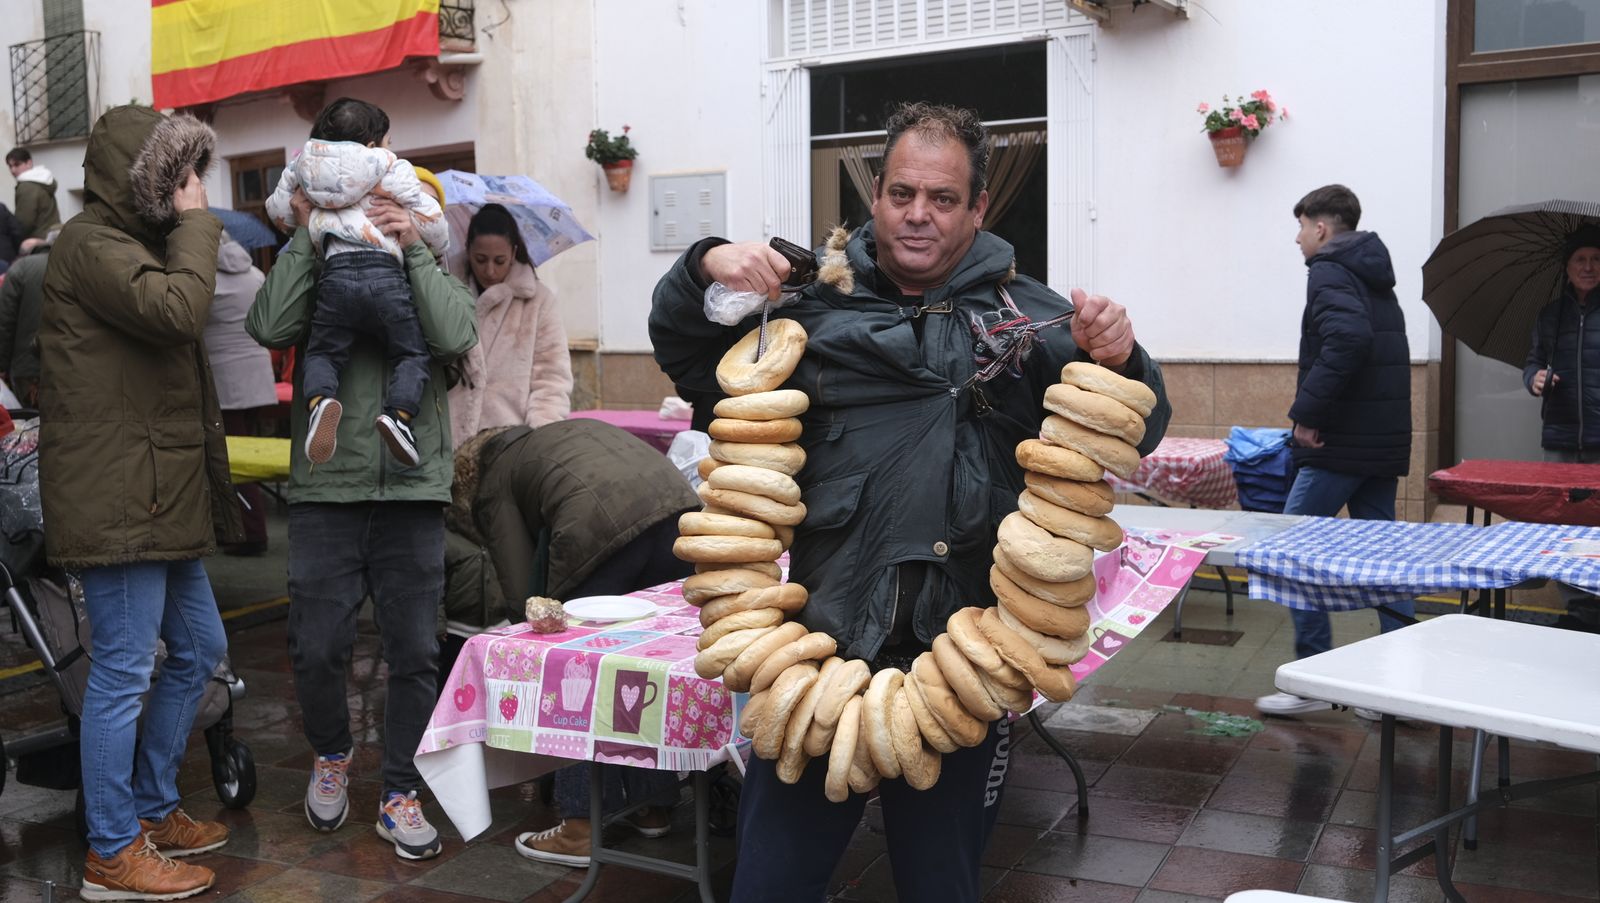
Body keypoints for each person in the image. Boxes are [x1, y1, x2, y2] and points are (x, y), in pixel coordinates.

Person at [649, 101, 1171, 903]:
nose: (918, 215)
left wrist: (1124, 353)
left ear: (977, 208)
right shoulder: (809, 307)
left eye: (943, 197)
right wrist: (705, 263)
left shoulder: (1031, 322)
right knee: (770, 885)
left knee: (941, 886)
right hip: (818, 650)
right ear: (876, 194)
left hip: (961, 665)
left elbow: (1140, 426)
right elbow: (688, 353)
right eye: (901, 193)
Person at [248, 142, 477, 861]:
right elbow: (269, 327)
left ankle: (400, 790)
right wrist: (304, 232)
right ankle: (331, 753)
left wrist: (411, 249)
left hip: (411, 489)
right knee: (317, 648)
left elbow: (455, 335)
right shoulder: (323, 249)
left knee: (414, 649)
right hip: (328, 487)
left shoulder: (428, 261)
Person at [37, 106, 241, 902]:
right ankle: (112, 850)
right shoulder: (88, 244)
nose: (193, 189)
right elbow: (176, 312)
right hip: (120, 497)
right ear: (146, 180)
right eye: (180, 175)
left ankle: (152, 805)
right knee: (123, 671)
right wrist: (196, 225)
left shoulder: (132, 245)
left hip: (156, 492)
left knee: (199, 647)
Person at [440, 418, 699, 866]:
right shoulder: (560, 434)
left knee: (573, 670)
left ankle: (580, 825)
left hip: (602, 529)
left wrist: (524, 645)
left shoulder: (493, 479)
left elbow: (518, 582)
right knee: (639, 666)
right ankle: (653, 806)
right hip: (678, 513)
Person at [1255, 184, 1412, 719]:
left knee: (1294, 548)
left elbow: (1348, 340)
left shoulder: (1329, 268)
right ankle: (1396, 690)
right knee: (1386, 560)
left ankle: (1314, 679)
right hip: (1379, 440)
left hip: (1340, 444)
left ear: (1321, 228)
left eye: (1301, 227)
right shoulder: (1373, 271)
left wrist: (1308, 414)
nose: (1297, 239)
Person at [264, 98, 449, 467]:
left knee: (322, 353)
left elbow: (279, 209)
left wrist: (300, 221)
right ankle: (399, 417)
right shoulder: (387, 165)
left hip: (334, 274)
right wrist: (435, 241)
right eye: (387, 140)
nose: (389, 148)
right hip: (385, 275)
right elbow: (428, 216)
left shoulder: (302, 164)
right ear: (371, 144)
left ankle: (320, 403)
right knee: (410, 352)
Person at [445, 203, 573, 447]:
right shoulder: (448, 292)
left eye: (499, 260)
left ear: (514, 253)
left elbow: (551, 379)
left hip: (510, 444)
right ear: (467, 249)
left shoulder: (539, 302)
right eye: (480, 259)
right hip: (450, 441)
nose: (490, 270)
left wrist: (539, 442)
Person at [1524, 225, 1600, 631]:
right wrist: (1535, 378)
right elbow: (1532, 362)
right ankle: (1578, 608)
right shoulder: (1550, 315)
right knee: (1563, 527)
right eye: (1580, 259)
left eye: (1596, 259)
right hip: (1560, 436)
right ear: (1567, 267)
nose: (1588, 267)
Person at [203, 232, 277, 554]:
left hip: (225, 377)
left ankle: (248, 532)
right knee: (250, 454)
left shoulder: (205, 281)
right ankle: (246, 528)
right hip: (259, 374)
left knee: (232, 460)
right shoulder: (256, 274)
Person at [0, 233, 50, 407]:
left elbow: (5, 323)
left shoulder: (20, 268)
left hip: (26, 368)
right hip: (67, 364)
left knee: (30, 425)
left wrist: (1, 365)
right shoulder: (72, 266)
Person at [7, 146, 62, 244]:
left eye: (17, 165)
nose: (13, 170)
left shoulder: (27, 186)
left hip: (37, 242)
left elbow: (24, 223)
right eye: (10, 166)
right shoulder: (43, 181)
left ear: (29, 163)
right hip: (54, 238)